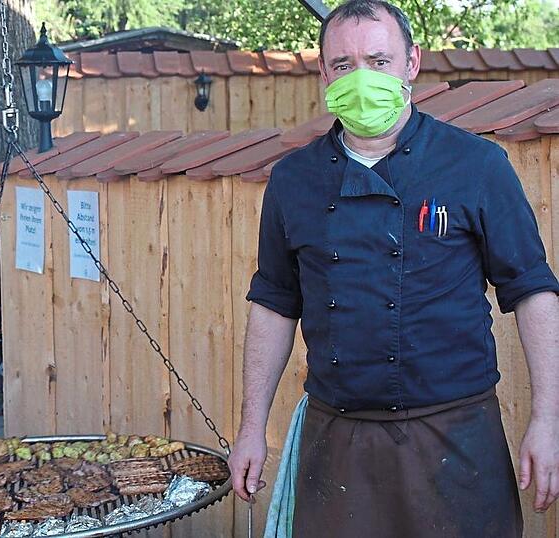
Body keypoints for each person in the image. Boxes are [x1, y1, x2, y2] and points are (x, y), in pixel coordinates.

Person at [227, 2, 559, 537]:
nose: (361, 78)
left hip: (457, 439)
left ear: (411, 63)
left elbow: (533, 291)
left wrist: (548, 420)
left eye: (378, 60)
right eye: (343, 64)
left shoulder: (476, 165)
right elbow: (274, 302)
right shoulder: (292, 179)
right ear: (323, 74)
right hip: (337, 440)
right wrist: (250, 428)